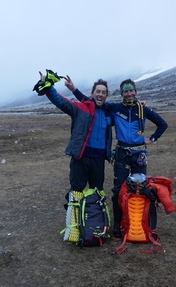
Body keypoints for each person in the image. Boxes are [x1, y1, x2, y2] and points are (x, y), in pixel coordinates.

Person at [71, 78, 168, 237]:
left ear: (135, 92)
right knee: (118, 190)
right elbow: (94, 101)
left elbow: (162, 124)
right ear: (122, 93)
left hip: (139, 154)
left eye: (131, 91)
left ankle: (139, 222)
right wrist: (74, 90)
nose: (129, 94)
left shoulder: (143, 109)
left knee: (140, 188)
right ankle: (117, 223)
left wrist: (152, 139)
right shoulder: (115, 108)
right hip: (122, 153)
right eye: (126, 91)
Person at [33, 70, 113, 201]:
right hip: (81, 158)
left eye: (103, 92)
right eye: (98, 91)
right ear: (92, 94)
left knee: (97, 192)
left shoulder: (108, 114)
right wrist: (47, 86)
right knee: (76, 192)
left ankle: (96, 220)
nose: (100, 94)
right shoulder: (80, 108)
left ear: (106, 96)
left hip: (98, 160)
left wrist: (141, 105)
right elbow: (61, 101)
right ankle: (74, 221)